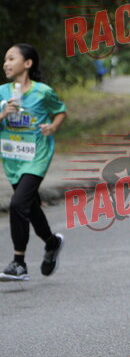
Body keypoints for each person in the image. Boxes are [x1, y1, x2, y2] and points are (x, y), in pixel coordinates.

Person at [0, 44, 67, 281]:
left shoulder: (42, 92)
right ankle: (52, 242)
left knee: (18, 204)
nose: (6, 63)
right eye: (5, 60)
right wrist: (4, 113)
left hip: (37, 156)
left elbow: (60, 111)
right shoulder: (2, 92)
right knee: (30, 207)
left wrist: (52, 127)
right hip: (12, 158)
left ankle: (18, 263)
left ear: (27, 63)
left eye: (11, 58)